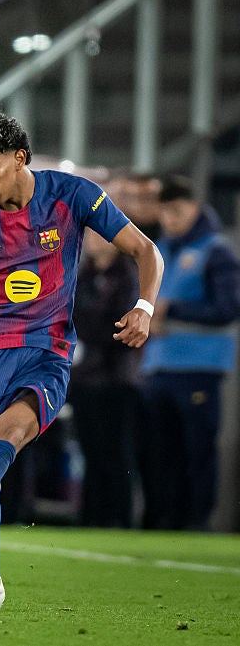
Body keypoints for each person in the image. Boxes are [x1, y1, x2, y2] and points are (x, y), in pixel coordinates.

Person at [0, 112, 163, 611]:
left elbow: (145, 250)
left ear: (20, 158)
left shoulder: (72, 194)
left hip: (48, 349)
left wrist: (144, 307)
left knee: (10, 437)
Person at [138, 175, 240, 530]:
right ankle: (167, 521)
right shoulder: (160, 250)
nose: (171, 219)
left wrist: (173, 311)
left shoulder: (217, 251)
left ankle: (199, 522)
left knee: (198, 451)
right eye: (165, 212)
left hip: (200, 366)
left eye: (177, 211)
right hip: (159, 366)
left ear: (195, 208)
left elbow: (229, 308)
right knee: (163, 453)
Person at [67, 229, 143, 527]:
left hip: (117, 377)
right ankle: (91, 517)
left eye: (100, 235)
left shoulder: (128, 277)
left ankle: (120, 519)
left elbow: (120, 325)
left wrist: (88, 328)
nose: (94, 241)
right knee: (90, 450)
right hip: (85, 378)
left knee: (117, 451)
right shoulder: (83, 276)